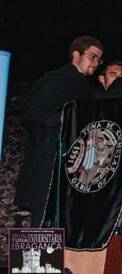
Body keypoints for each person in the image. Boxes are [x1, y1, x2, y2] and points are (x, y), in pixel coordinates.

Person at [14, 35, 102, 226]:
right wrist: (66, 121)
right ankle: (33, 255)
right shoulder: (56, 80)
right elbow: (33, 113)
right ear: (76, 55)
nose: (96, 63)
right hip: (49, 157)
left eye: (99, 59)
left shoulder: (83, 87)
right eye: (92, 56)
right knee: (42, 214)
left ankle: (54, 256)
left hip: (72, 162)